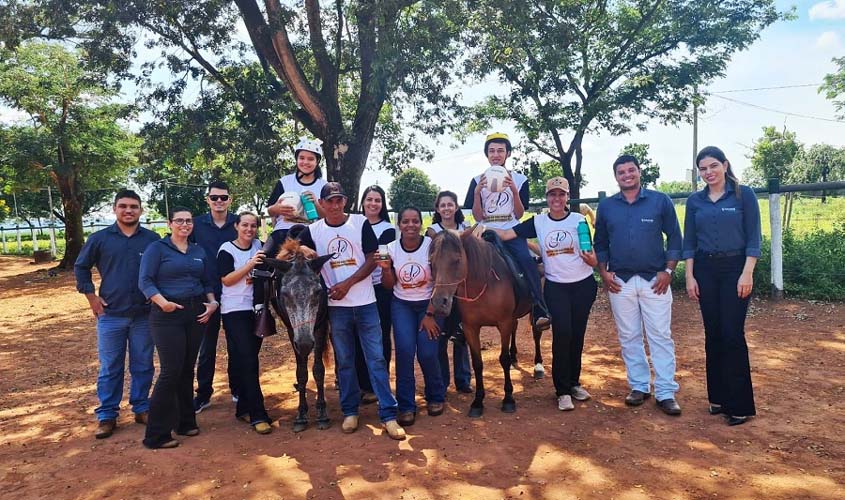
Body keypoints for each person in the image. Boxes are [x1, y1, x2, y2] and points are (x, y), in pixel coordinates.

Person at [295, 182, 405, 440]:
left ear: (345, 201)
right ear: (321, 204)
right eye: (329, 201)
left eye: (339, 200)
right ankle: (349, 411)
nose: (334, 205)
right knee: (344, 362)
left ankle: (388, 415)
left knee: (376, 359)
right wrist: (301, 248)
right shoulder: (313, 230)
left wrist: (347, 284)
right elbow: (292, 245)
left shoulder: (360, 223)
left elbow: (371, 259)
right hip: (337, 308)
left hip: (366, 303)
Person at [495, 178, 598, 411]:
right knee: (563, 334)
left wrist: (593, 260)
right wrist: (483, 228)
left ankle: (573, 383)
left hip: (583, 285)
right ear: (547, 197)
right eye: (552, 195)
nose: (557, 199)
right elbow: (507, 235)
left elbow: (589, 250)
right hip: (556, 287)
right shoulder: (538, 222)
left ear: (567, 197)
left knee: (577, 335)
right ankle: (562, 391)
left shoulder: (579, 221)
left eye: (561, 195)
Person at [594, 155, 683, 416]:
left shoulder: (659, 201)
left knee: (660, 335)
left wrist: (668, 270)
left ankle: (666, 391)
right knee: (629, 336)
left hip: (654, 280)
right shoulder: (607, 206)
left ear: (639, 172)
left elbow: (675, 237)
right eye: (621, 172)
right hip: (620, 281)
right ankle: (639, 386)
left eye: (631, 170)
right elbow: (600, 243)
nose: (627, 175)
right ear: (616, 177)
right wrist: (603, 272)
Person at [74, 189, 161, 439]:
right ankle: (107, 415)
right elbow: (81, 267)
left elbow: (161, 271)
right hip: (110, 314)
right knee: (110, 367)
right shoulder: (100, 238)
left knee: (143, 364)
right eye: (123, 206)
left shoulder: (152, 240)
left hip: (144, 315)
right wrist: (91, 296)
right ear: (114, 209)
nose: (128, 210)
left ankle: (142, 408)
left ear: (141, 210)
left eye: (133, 206)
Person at [684, 146, 761, 426]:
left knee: (732, 334)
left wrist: (747, 273)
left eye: (713, 166)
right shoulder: (695, 201)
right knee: (713, 333)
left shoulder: (744, 195)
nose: (709, 173)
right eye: (703, 169)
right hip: (705, 270)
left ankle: (739, 404)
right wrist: (690, 276)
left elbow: (754, 237)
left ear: (725, 165)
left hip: (735, 270)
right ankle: (717, 398)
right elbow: (689, 242)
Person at [139, 207, 218, 449]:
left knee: (186, 369)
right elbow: (145, 280)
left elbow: (205, 281)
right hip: (167, 315)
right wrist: (163, 304)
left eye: (188, 221)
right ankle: (156, 434)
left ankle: (185, 422)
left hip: (195, 313)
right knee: (170, 371)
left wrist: (213, 302)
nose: (185, 224)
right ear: (170, 223)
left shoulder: (197, 251)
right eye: (179, 221)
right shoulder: (157, 249)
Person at [463, 132, 550, 329]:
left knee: (527, 262)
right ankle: (461, 319)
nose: (496, 154)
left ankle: (538, 307)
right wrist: (477, 194)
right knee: (465, 264)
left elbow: (519, 214)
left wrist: (513, 191)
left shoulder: (520, 179)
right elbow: (477, 217)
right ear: (486, 154)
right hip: (485, 233)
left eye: (500, 150)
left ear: (508, 153)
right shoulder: (477, 180)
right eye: (492, 151)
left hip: (511, 230)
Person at [379, 206, 446, 426]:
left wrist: (429, 313)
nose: (410, 225)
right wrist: (387, 269)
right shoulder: (390, 248)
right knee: (405, 353)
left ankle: (436, 396)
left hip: (429, 306)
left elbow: (441, 281)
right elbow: (389, 286)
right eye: (405, 221)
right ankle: (406, 405)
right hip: (402, 305)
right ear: (399, 225)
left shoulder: (431, 247)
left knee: (427, 353)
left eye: (415, 221)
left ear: (421, 224)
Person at [217, 212, 272, 434]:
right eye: (245, 225)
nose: (249, 229)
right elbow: (227, 280)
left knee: (246, 359)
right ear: (236, 226)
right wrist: (250, 265)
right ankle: (258, 413)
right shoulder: (226, 250)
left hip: (256, 310)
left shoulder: (260, 245)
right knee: (249, 360)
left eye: (253, 226)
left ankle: (243, 408)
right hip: (234, 311)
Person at [191, 181, 238, 414]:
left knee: (236, 344)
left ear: (230, 199)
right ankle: (203, 394)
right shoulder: (196, 224)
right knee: (206, 347)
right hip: (206, 294)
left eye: (223, 197)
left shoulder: (239, 223)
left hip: (236, 294)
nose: (219, 201)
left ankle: (238, 389)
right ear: (207, 199)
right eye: (214, 197)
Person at [425, 190, 472, 394]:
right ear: (437, 209)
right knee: (441, 337)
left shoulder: (465, 229)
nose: (446, 208)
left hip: (461, 291)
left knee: (462, 336)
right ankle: (442, 382)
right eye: (442, 205)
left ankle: (463, 380)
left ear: (456, 207)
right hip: (441, 289)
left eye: (450, 204)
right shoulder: (432, 231)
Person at [355, 185, 395, 404]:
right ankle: (361, 383)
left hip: (378, 288)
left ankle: (378, 383)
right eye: (369, 199)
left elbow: (379, 258)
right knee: (355, 337)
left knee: (380, 338)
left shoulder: (388, 229)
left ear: (383, 204)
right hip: (355, 290)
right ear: (363, 202)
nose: (373, 204)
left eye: (377, 200)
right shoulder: (352, 224)